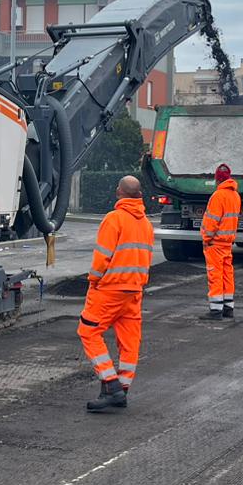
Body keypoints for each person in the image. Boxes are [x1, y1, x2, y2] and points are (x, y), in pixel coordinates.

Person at [78, 174, 155, 413]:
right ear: (139, 195)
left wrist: (93, 280)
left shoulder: (114, 219)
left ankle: (111, 386)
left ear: (118, 192)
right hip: (134, 291)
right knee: (129, 342)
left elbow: (102, 257)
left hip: (110, 289)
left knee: (88, 331)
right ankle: (122, 389)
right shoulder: (146, 224)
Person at [200, 162, 241, 320]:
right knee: (227, 274)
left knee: (215, 275)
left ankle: (215, 310)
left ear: (218, 180)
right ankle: (228, 307)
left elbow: (212, 221)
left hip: (215, 243)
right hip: (227, 243)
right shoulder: (235, 196)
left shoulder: (218, 196)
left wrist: (206, 238)